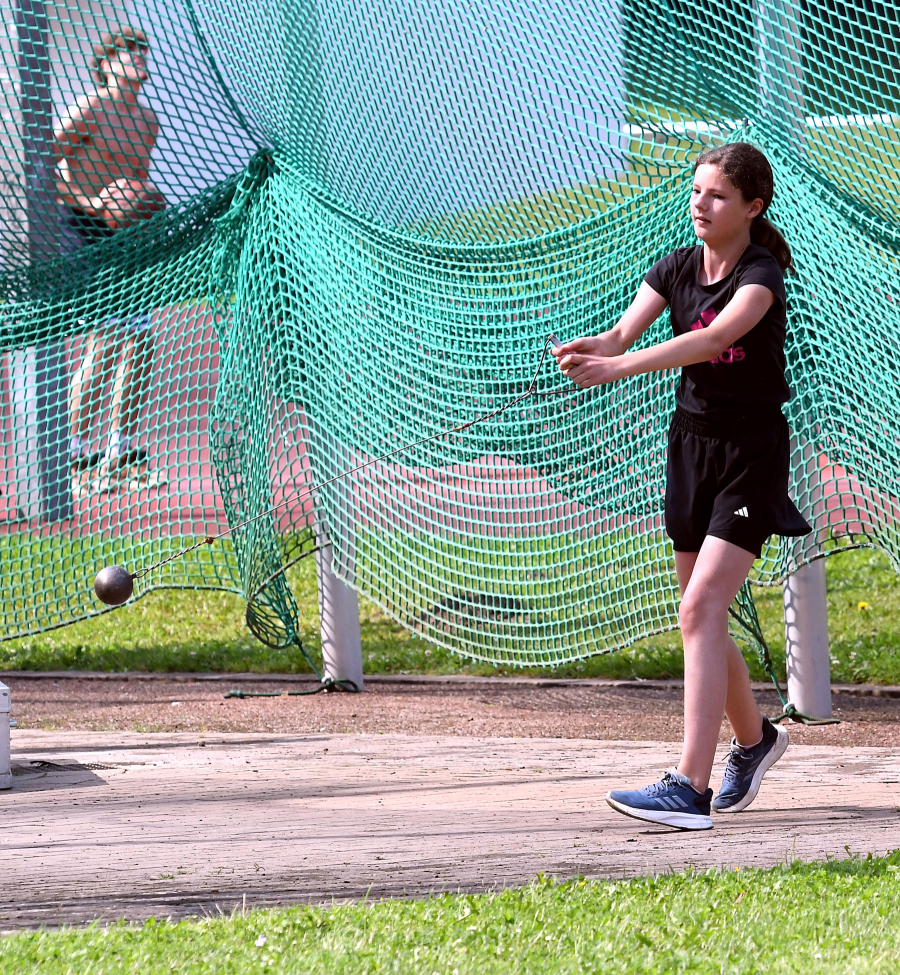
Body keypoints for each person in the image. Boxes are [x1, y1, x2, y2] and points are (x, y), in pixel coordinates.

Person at [552, 142, 811, 831]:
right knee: (699, 612)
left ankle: (689, 787)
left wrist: (625, 366)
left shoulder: (760, 276)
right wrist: (591, 349)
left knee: (700, 607)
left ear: (753, 208)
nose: (701, 203)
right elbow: (617, 336)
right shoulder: (674, 268)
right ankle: (756, 742)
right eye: (697, 191)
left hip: (751, 455)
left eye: (718, 195)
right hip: (690, 450)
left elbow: (711, 339)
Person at [53, 25, 162, 471]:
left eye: (143, 52)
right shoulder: (89, 109)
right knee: (108, 337)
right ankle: (73, 451)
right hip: (81, 228)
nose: (139, 59)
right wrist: (90, 202)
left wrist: (147, 208)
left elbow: (136, 185)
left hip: (124, 237)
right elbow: (40, 162)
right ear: (105, 65)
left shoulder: (147, 121)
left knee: (141, 338)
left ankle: (119, 449)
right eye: (128, 52)